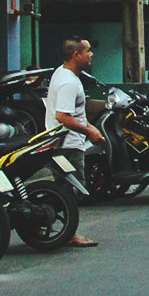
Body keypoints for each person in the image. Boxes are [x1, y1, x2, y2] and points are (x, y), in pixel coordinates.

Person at [40, 39, 101, 247]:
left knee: (64, 188)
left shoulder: (63, 73)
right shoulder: (68, 82)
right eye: (88, 51)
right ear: (76, 55)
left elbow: (74, 112)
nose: (91, 54)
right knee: (72, 190)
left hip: (65, 142)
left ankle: (43, 223)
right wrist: (88, 132)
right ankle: (69, 233)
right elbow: (63, 116)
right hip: (67, 145)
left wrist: (89, 127)